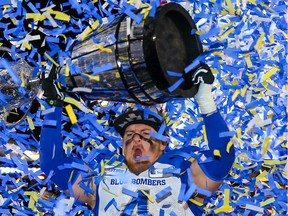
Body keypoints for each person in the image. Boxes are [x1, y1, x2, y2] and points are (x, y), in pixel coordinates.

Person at [39, 62, 235, 215]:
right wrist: (52, 105)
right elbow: (53, 165)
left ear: (163, 144)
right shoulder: (102, 178)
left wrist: (204, 100)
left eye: (145, 134)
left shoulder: (182, 176)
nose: (136, 140)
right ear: (122, 146)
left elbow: (222, 159)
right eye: (130, 135)